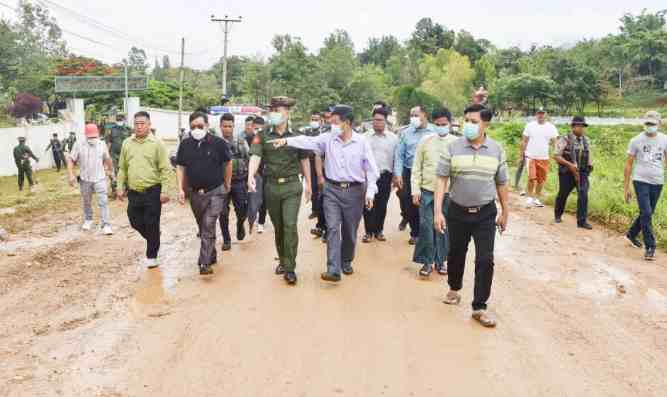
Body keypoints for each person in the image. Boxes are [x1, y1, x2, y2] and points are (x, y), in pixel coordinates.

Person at [271, 104, 379, 283]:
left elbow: (371, 170)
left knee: (350, 230)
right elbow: (308, 141)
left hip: (355, 192)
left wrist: (370, 193)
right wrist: (287, 141)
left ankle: (346, 259)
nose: (333, 126)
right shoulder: (328, 138)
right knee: (333, 228)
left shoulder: (361, 142)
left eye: (336, 122)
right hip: (332, 190)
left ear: (348, 123)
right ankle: (333, 269)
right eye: (331, 122)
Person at [434, 103, 509, 328]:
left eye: (474, 121)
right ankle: (454, 288)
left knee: (485, 259)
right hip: (457, 210)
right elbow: (441, 179)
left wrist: (506, 211)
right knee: (456, 252)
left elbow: (502, 182)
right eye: (466, 120)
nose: (468, 125)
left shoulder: (496, 149)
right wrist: (438, 211)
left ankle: (479, 306)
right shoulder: (453, 148)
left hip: (485, 212)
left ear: (486, 123)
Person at [247, 96, 311, 285]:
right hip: (271, 186)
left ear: (287, 112)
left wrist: (309, 183)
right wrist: (251, 175)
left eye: (279, 110)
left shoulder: (297, 135)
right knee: (278, 226)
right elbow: (255, 156)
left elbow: (304, 160)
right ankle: (283, 260)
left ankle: (290, 268)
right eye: (272, 110)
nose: (274, 114)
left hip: (292, 185)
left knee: (290, 224)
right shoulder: (263, 134)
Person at [176, 111, 232, 275]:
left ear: (207, 126)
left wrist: (227, 183)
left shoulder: (218, 143)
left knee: (208, 224)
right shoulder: (185, 145)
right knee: (202, 226)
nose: (196, 129)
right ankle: (211, 253)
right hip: (195, 194)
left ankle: (204, 262)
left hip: (215, 192)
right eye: (193, 127)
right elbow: (180, 166)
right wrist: (180, 188)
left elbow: (228, 163)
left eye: (200, 126)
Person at [116, 111, 171, 269]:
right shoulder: (127, 143)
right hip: (134, 192)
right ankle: (154, 238)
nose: (139, 127)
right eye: (136, 124)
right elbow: (122, 168)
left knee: (152, 222)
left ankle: (152, 256)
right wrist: (120, 187)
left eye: (142, 123)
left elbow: (166, 169)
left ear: (149, 125)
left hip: (152, 191)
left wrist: (165, 191)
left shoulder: (157, 144)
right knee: (134, 220)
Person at [412, 108, 458, 277]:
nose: (441, 127)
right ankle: (427, 261)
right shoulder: (426, 141)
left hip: (447, 193)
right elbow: (417, 167)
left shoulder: (457, 143)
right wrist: (415, 189)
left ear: (450, 124)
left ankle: (441, 261)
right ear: (433, 124)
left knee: (443, 228)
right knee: (426, 227)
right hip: (426, 191)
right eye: (437, 124)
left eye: (444, 124)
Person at [624, 111, 666, 261]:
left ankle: (631, 234)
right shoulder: (636, 140)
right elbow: (629, 164)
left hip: (657, 181)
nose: (650, 126)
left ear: (659, 124)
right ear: (644, 124)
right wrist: (626, 187)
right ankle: (650, 246)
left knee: (647, 213)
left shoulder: (664, 140)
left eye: (653, 124)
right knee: (646, 213)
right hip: (640, 180)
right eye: (648, 124)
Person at [394, 105, 435, 244]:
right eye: (411, 115)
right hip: (408, 171)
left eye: (416, 115)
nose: (413, 118)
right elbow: (399, 155)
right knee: (408, 201)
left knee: (425, 202)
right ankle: (415, 232)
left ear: (425, 115)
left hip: (428, 173)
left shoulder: (434, 131)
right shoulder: (406, 133)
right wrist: (398, 174)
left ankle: (426, 233)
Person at [66, 124, 114, 235]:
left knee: (103, 202)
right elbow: (71, 160)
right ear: (86, 136)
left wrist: (111, 171)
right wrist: (71, 175)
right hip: (85, 179)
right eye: (90, 137)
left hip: (100, 178)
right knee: (86, 201)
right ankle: (88, 220)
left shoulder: (102, 145)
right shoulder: (78, 145)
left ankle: (106, 224)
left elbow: (107, 159)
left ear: (98, 135)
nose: (92, 139)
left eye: (94, 137)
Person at [362, 105, 398, 243]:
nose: (377, 122)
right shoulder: (364, 137)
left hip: (385, 176)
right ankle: (368, 232)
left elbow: (396, 158)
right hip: (367, 176)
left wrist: (395, 176)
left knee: (382, 204)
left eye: (380, 120)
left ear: (386, 121)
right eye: (375, 120)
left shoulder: (393, 138)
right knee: (368, 203)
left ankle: (379, 230)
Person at [553, 116, 594, 230]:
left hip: (582, 172)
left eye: (583, 126)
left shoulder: (586, 140)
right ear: (573, 127)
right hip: (567, 172)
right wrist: (570, 165)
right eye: (579, 126)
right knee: (563, 194)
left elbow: (588, 154)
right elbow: (556, 156)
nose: (581, 128)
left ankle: (581, 221)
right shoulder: (564, 139)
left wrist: (590, 165)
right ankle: (558, 215)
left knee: (583, 194)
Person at [219, 113, 250, 250]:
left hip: (239, 181)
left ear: (233, 126)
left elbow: (248, 159)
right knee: (223, 212)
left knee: (242, 209)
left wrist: (250, 178)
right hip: (221, 183)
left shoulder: (241, 142)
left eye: (230, 126)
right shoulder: (216, 142)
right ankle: (226, 239)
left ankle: (240, 225)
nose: (227, 129)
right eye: (224, 126)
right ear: (220, 126)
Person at [520, 108, 558, 207]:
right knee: (531, 178)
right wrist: (521, 155)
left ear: (546, 114)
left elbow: (555, 142)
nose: (540, 115)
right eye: (539, 113)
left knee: (541, 180)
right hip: (530, 156)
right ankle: (529, 197)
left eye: (542, 113)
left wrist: (557, 154)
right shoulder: (530, 126)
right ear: (536, 115)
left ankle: (536, 198)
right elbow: (524, 140)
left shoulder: (551, 127)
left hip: (544, 157)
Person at [248, 116, 268, 234]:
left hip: (264, 173)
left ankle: (261, 222)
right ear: (252, 127)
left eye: (260, 129)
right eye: (256, 128)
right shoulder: (247, 139)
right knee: (251, 198)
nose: (257, 131)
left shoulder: (266, 139)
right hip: (251, 173)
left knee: (263, 199)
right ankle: (251, 218)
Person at [304, 111, 325, 221]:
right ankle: (314, 209)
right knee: (312, 186)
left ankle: (321, 210)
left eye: (316, 119)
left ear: (321, 121)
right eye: (312, 119)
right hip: (310, 162)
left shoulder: (325, 132)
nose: (314, 122)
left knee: (322, 186)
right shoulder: (307, 132)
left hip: (323, 162)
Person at [106, 114, 131, 197]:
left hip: (126, 154)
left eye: (121, 119)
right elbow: (109, 142)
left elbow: (132, 142)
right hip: (114, 154)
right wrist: (107, 154)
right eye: (118, 119)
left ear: (124, 120)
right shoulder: (111, 130)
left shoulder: (128, 129)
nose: (119, 121)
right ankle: (114, 190)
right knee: (114, 172)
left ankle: (128, 189)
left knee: (127, 171)